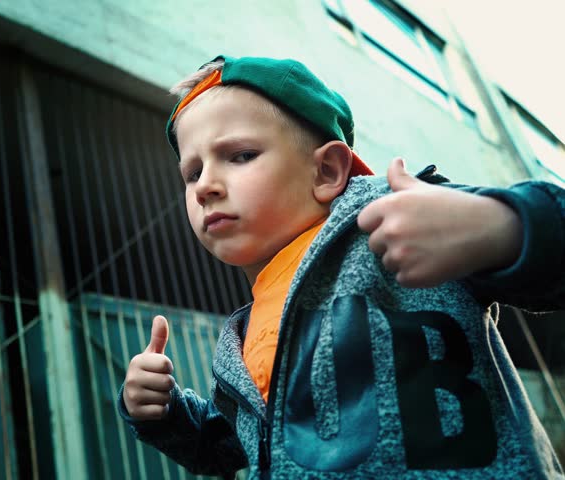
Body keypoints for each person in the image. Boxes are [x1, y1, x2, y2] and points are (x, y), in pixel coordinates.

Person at [117, 55, 565, 478]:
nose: (205, 187)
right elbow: (232, 449)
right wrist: (163, 412)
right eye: (192, 173)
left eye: (239, 155)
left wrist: (505, 227)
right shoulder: (243, 337)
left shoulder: (395, 218)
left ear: (327, 172)